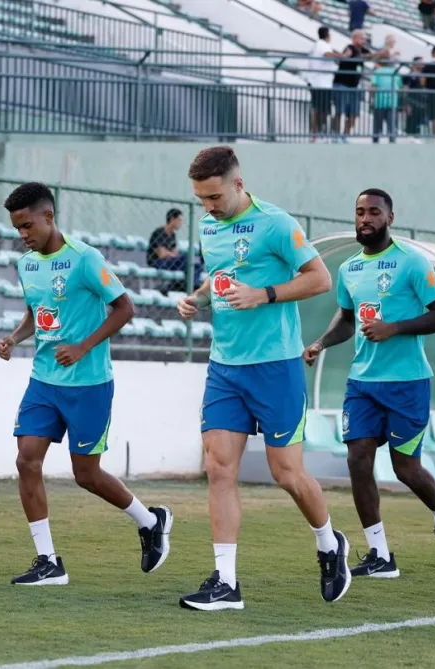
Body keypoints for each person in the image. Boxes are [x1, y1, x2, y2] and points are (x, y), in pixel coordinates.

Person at [176, 146, 350, 611]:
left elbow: (319, 280)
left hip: (276, 366)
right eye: (200, 199)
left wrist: (265, 294)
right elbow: (219, 277)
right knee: (218, 468)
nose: (207, 207)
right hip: (225, 367)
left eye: (213, 196)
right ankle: (226, 582)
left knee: (287, 474)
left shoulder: (276, 223)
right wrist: (198, 298)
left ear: (237, 183)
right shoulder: (209, 225)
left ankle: (330, 544)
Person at [0, 182, 173, 586]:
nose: (22, 235)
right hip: (43, 381)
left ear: (49, 217)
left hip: (89, 384)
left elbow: (125, 307)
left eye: (27, 226)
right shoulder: (27, 264)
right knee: (26, 460)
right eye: (17, 228)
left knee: (86, 475)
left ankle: (149, 521)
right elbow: (34, 314)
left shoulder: (85, 259)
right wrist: (13, 338)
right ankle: (47, 561)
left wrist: (82, 346)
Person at [304, 189, 435, 578]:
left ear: (390, 217)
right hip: (362, 383)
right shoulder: (349, 269)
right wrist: (321, 343)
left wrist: (395, 328)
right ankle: (380, 555)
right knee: (358, 459)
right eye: (359, 212)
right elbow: (347, 319)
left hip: (408, 383)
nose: (365, 218)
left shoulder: (411, 262)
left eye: (374, 212)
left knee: (406, 469)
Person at [330, 31, 392, 142]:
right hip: (342, 84)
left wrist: (384, 51)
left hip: (354, 86)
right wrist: (377, 54)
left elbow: (373, 57)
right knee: (340, 111)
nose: (364, 41)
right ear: (355, 38)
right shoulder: (349, 48)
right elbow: (360, 56)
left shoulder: (364, 50)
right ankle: (335, 135)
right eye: (362, 38)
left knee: (354, 113)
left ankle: (344, 136)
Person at [305, 27, 337, 142]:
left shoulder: (317, 45)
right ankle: (315, 133)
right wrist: (342, 56)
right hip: (320, 83)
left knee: (321, 108)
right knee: (319, 109)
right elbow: (327, 54)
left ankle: (317, 133)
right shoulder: (322, 44)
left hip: (320, 82)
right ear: (327, 35)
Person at [370, 59, 401, 143]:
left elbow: (373, 86)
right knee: (392, 125)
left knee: (377, 125)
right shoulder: (395, 72)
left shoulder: (377, 71)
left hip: (379, 101)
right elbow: (400, 86)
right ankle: (392, 140)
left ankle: (375, 141)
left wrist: (372, 99)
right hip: (393, 101)